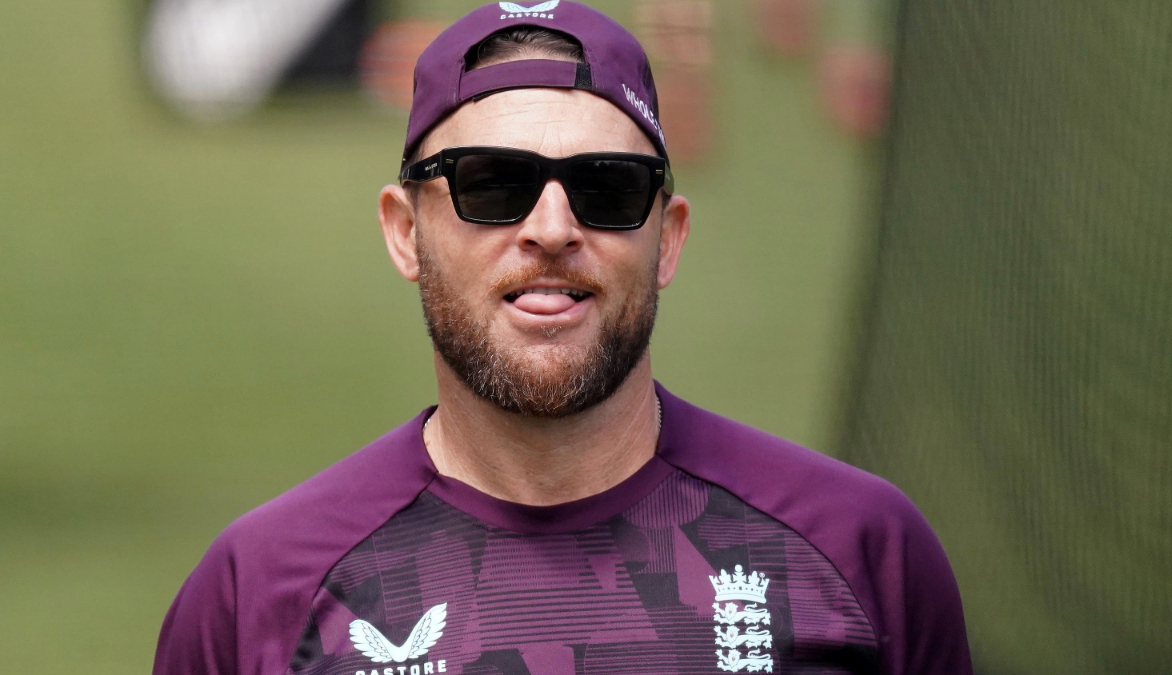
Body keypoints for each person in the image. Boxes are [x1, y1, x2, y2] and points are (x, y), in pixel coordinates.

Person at [153, 3, 973, 674]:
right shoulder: (261, 590)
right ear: (405, 233)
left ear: (668, 240)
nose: (551, 228)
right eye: (491, 185)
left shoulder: (861, 549)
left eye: (607, 189)